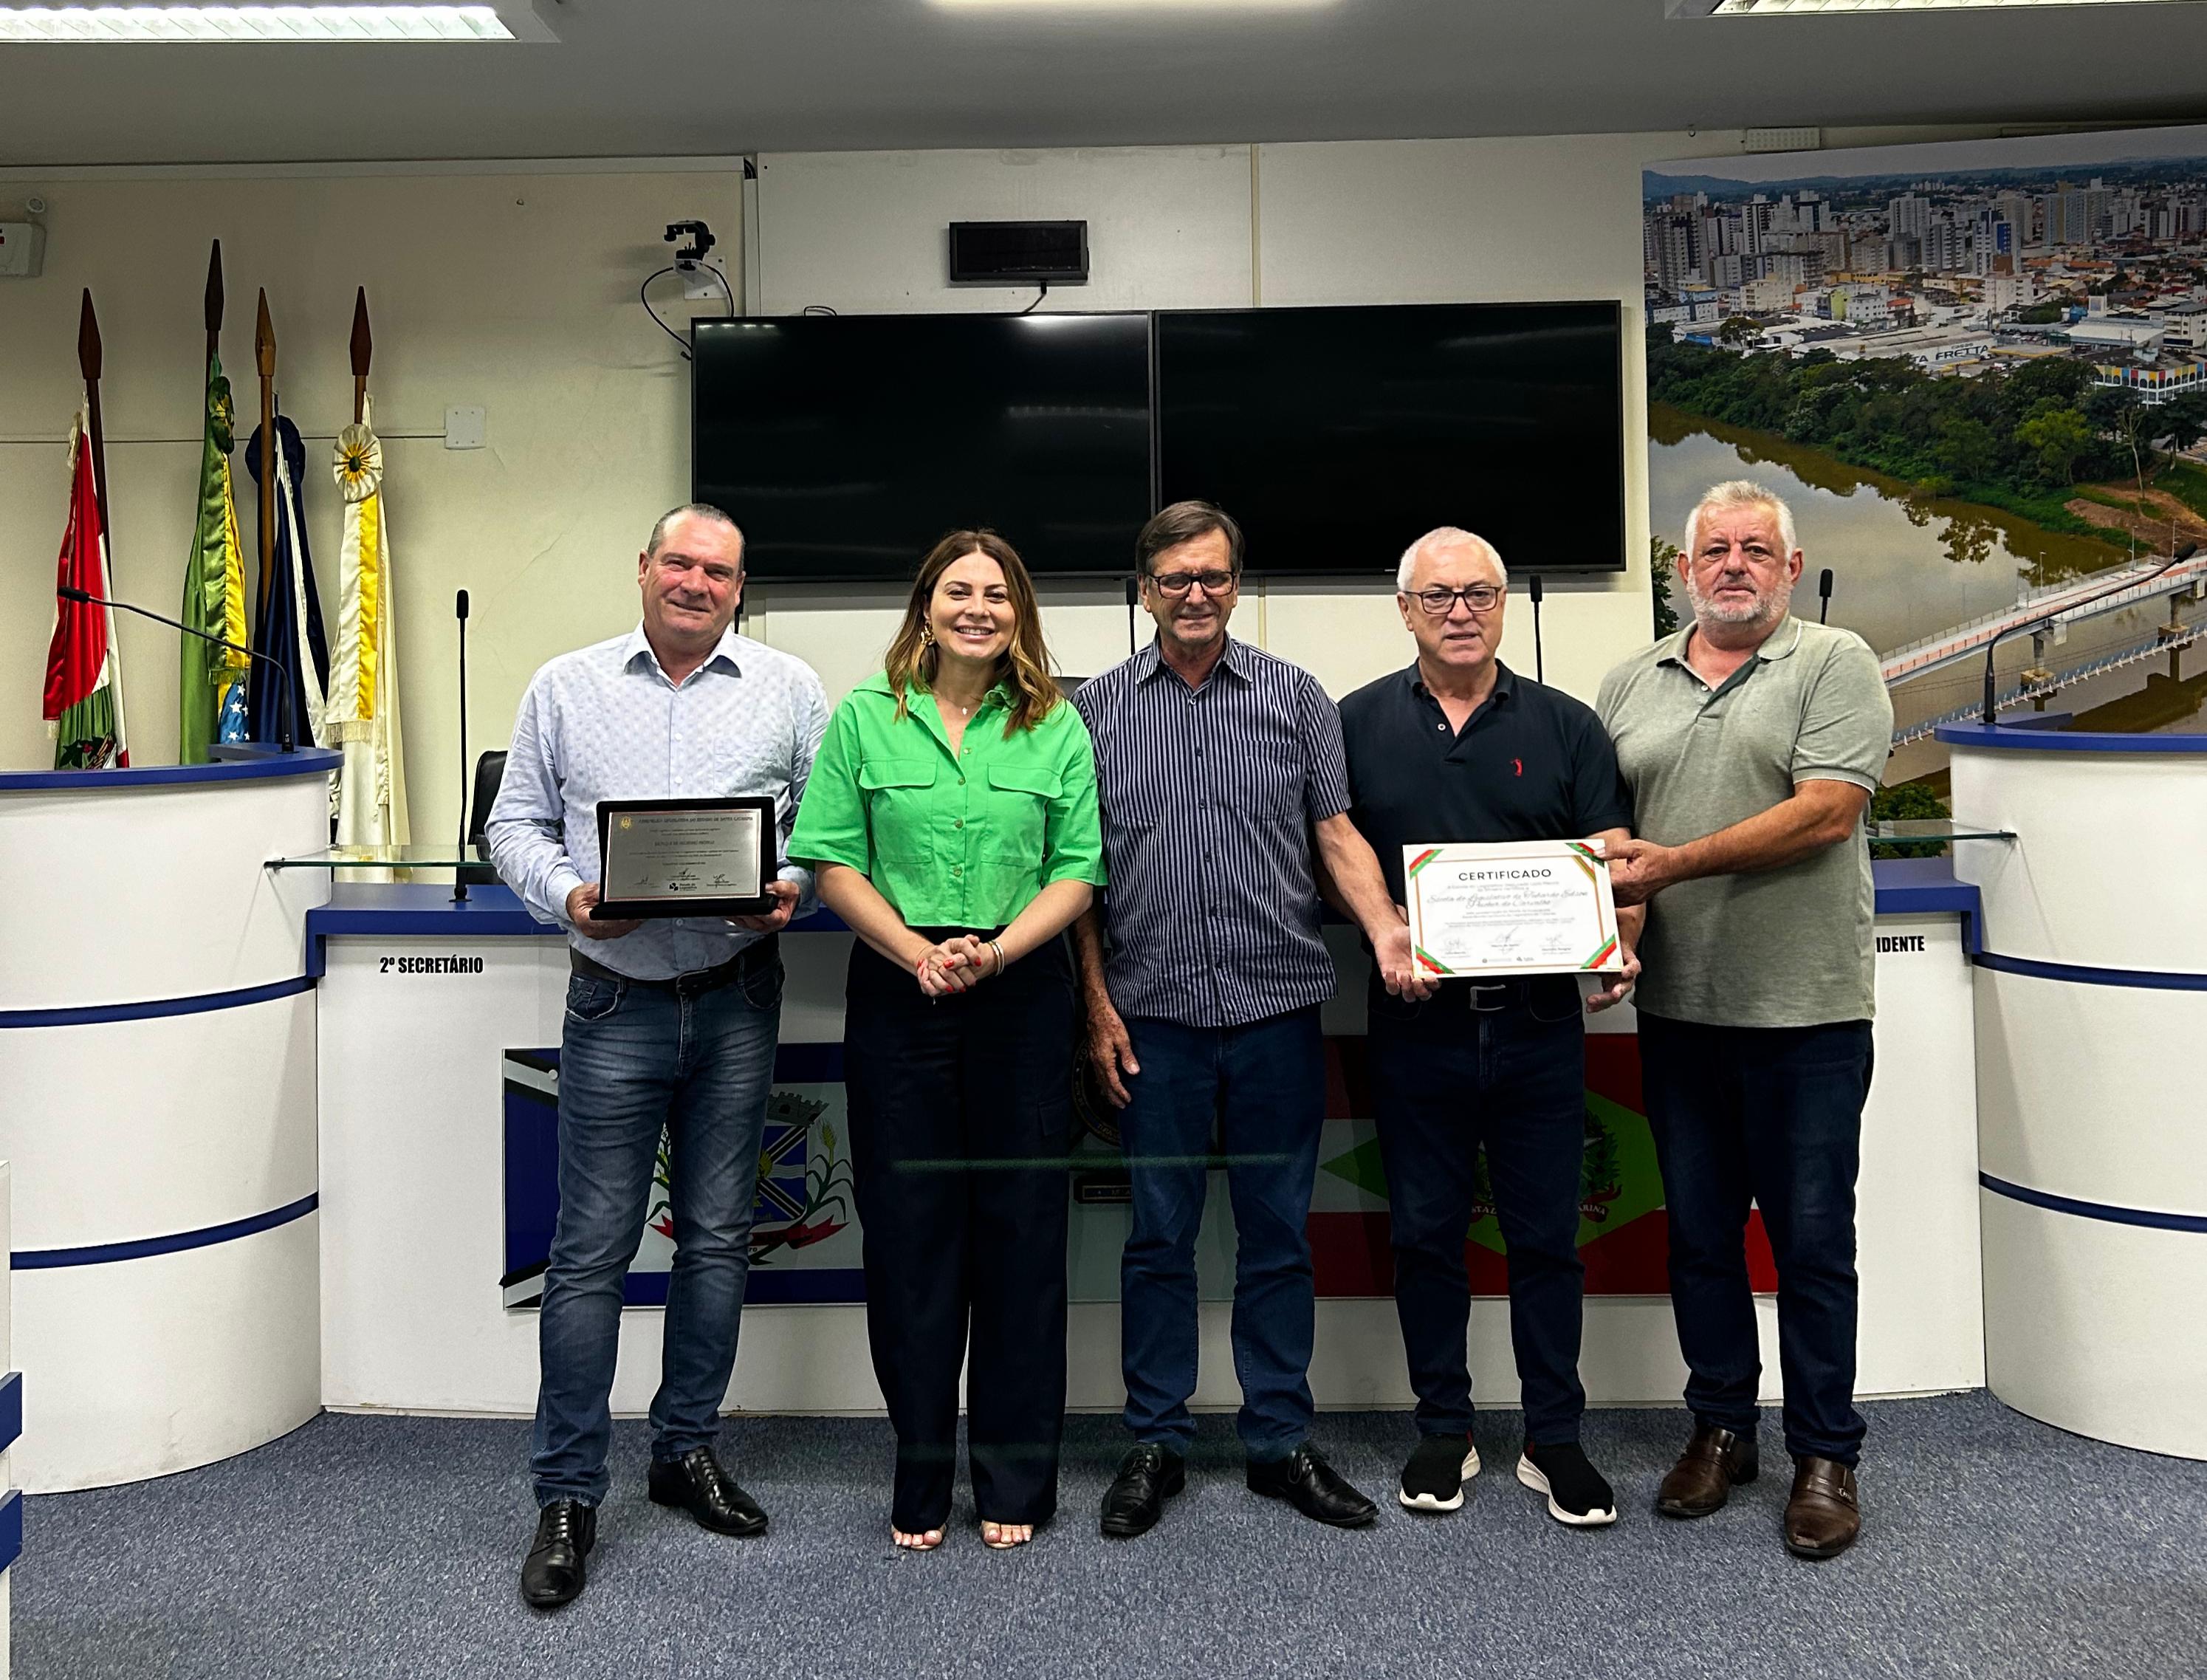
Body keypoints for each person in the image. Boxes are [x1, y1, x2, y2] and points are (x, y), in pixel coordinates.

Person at [487, 503, 829, 1609]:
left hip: (736, 1000)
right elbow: (514, 828)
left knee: (718, 1241)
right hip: (614, 1003)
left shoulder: (789, 689)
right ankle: (568, 1493)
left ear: (740, 587)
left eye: (716, 570)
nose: (694, 582)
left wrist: (789, 894)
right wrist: (570, 898)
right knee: (589, 1255)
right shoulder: (565, 686)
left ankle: (684, 1452)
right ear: (642, 571)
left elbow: (823, 838)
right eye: (677, 563)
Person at [1074, 500, 1421, 1538]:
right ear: (1143, 590)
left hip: (1275, 1013)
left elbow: (1336, 835)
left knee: (1276, 1241)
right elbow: (1075, 882)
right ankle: (1154, 1439)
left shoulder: (1293, 699)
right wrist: (1094, 1010)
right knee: (1158, 1242)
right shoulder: (1091, 712)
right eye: (1174, 579)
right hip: (1151, 1021)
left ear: (1237, 585)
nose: (1194, 596)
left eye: (1213, 578)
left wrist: (1387, 927)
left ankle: (1276, 1439)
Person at [787, 529, 1104, 1553]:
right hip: (899, 990)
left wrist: (1000, 953)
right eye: (958, 591)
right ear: (924, 607)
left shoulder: (1055, 725)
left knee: (1020, 1243)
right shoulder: (864, 721)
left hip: (1019, 992)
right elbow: (832, 860)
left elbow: (1077, 869)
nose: (978, 608)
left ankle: (1014, 1480)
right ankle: (921, 1480)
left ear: (1020, 615)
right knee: (913, 1244)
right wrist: (912, 955)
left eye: (998, 594)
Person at [1596, 479, 1894, 1561]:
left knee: (1812, 1244)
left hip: (1806, 1013)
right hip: (1678, 1010)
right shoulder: (1631, 681)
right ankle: (1721, 1427)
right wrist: (1609, 928)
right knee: (1700, 1239)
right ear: (1683, 570)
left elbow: (1826, 811)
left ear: (1786, 562)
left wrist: (1667, 866)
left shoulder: (1833, 663)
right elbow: (1607, 834)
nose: (1732, 564)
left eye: (1753, 550)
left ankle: (1826, 1452)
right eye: (1713, 549)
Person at [1336, 527, 1641, 1528]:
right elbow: (1332, 854)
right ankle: (1444, 1426)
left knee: (1547, 1236)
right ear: (1404, 610)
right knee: (1424, 1233)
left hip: (1541, 1025)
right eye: (1437, 597)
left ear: (1502, 604)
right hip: (1412, 1023)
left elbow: (1610, 854)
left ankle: (1553, 1436)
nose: (1458, 611)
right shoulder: (1353, 725)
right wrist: (1383, 930)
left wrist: (1619, 937)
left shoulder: (1565, 724)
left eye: (1477, 593)